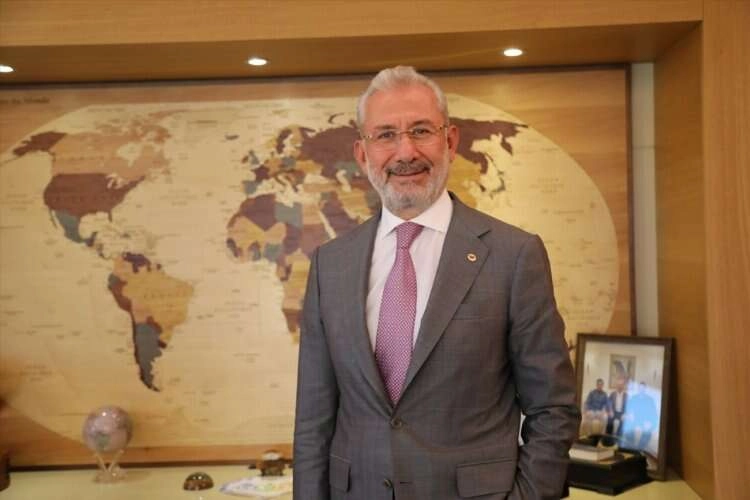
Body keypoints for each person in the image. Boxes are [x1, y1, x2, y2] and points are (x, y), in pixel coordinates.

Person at [293, 66, 580, 500]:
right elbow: (313, 420)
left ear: (450, 141)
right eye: (385, 135)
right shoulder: (330, 264)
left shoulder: (514, 255)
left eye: (421, 130)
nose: (405, 151)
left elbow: (553, 409)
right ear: (362, 154)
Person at [624, 381, 658, 452]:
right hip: (635, 419)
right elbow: (628, 408)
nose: (641, 390)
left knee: (647, 431)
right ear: (638, 389)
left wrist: (650, 422)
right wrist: (629, 415)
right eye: (640, 388)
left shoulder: (649, 399)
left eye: (643, 388)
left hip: (646, 420)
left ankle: (639, 448)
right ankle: (631, 445)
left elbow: (654, 413)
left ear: (645, 389)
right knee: (627, 426)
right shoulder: (634, 398)